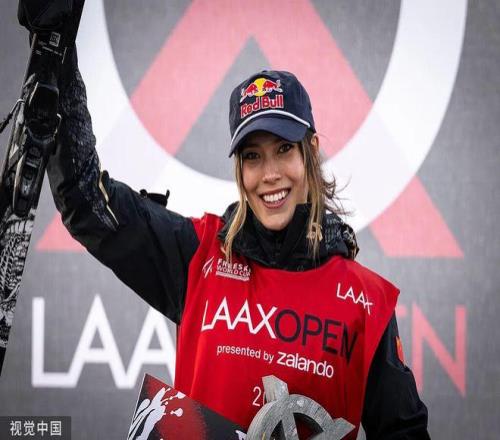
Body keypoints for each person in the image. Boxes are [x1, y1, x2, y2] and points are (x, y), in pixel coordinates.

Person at [23, 18, 429, 440]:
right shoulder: (197, 256)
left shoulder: (366, 302)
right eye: (253, 156)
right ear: (239, 167)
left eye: (284, 149)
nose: (269, 174)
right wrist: (56, 49)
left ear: (310, 150)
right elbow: (87, 203)